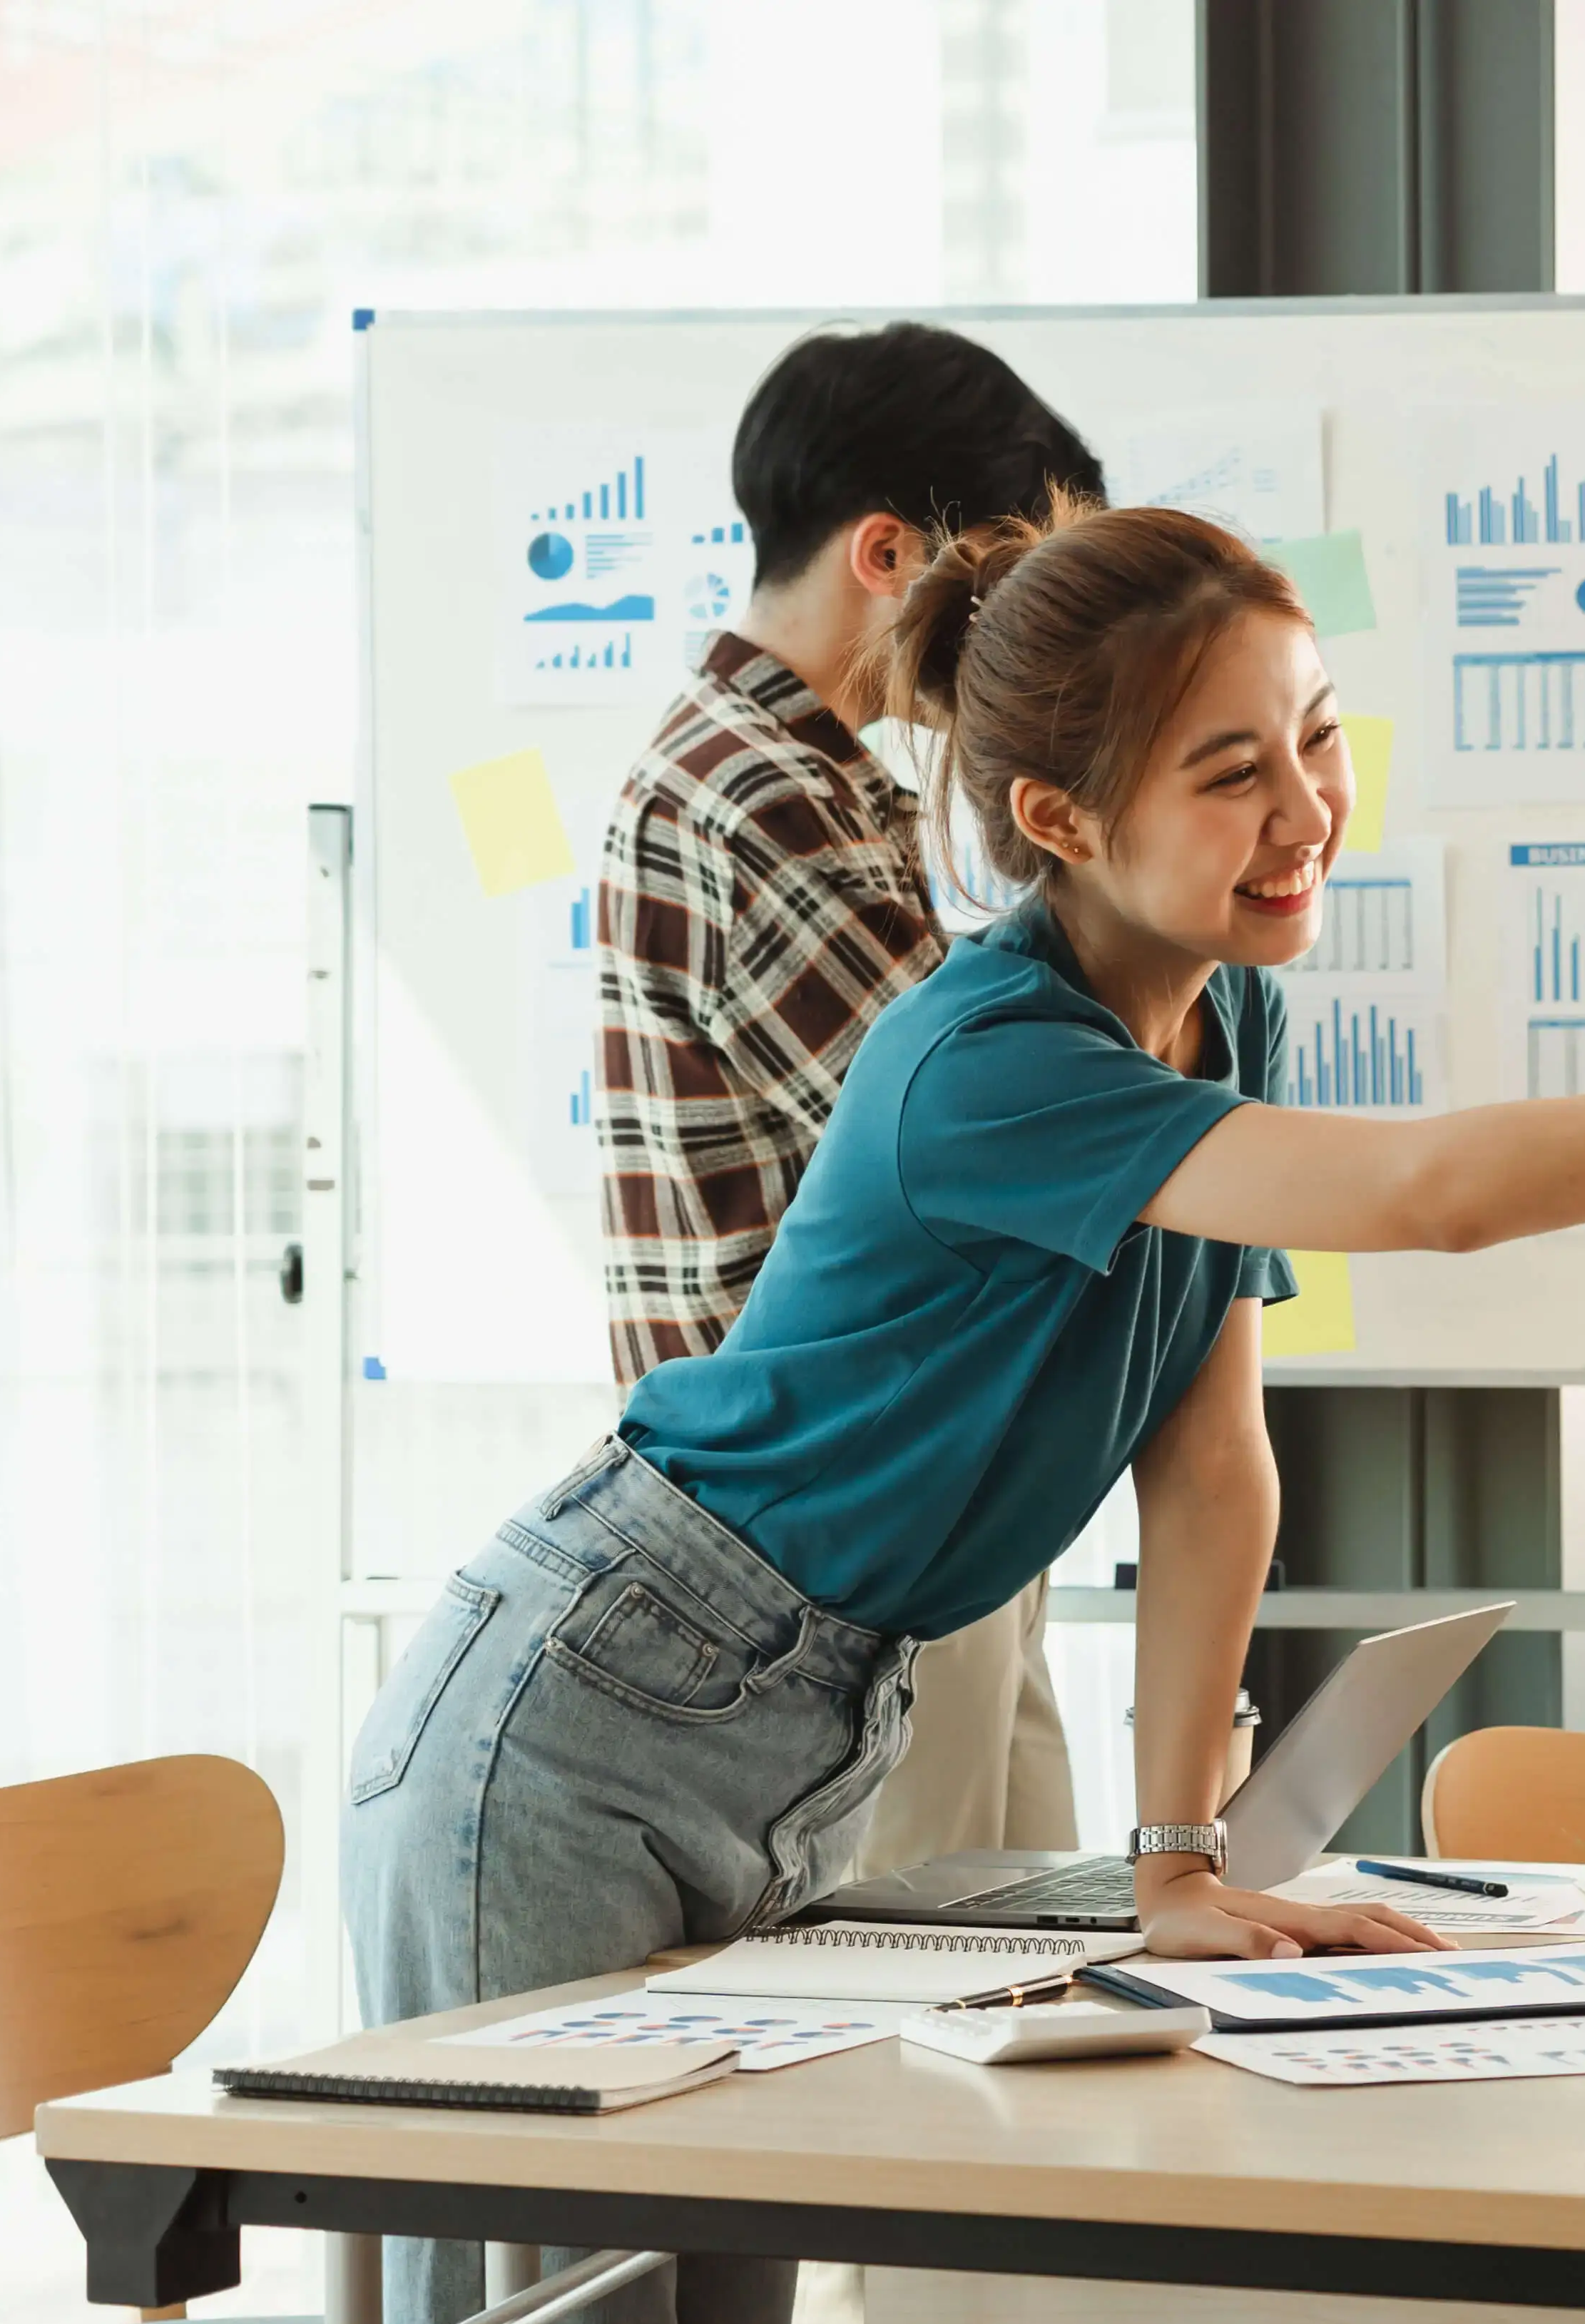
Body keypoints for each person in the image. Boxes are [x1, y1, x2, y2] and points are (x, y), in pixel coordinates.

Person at [347, 499, 1585, 2324]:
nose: (1308, 805)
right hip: (579, 1716)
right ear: (1061, 821)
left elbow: (1212, 1455)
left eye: (1316, 732)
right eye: (1234, 771)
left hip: (790, 1730)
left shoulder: (1224, 1020)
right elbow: (1445, 1193)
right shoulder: (993, 1066)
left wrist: (1176, 1858)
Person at [591, 323, 1105, 1885]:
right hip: (846, 1524)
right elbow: (994, 1145)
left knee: (1016, 1951)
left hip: (880, 1509)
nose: (1038, 647)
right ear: (889, 553)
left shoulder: (799, 775)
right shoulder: (766, 795)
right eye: (1017, 583)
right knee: (922, 2000)